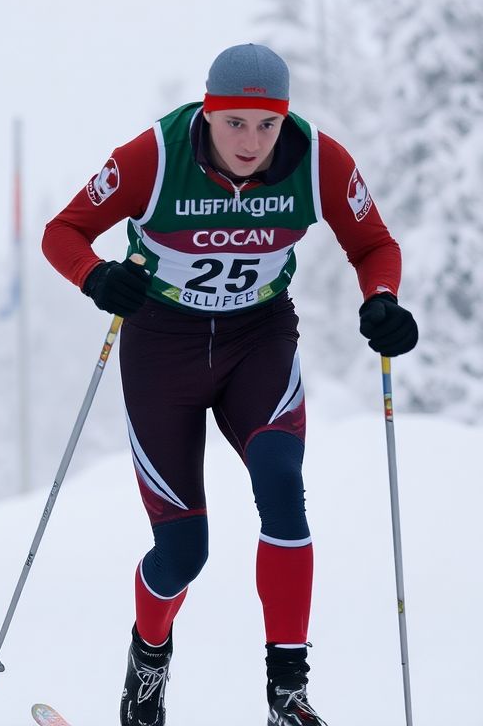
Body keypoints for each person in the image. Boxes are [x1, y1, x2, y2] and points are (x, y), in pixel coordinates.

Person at [41, 43, 418, 726]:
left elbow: (373, 245)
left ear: (285, 120)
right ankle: (148, 664)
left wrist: (382, 299)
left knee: (282, 482)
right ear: (209, 114)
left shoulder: (317, 160)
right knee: (183, 551)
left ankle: (287, 693)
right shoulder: (153, 158)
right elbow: (63, 231)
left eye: (266, 125)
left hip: (257, 340)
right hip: (163, 350)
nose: (251, 142)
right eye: (235, 123)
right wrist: (97, 276)